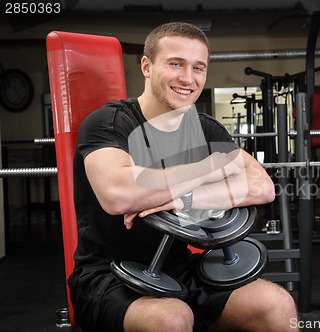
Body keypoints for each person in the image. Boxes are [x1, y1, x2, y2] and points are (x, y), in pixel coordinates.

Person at [68, 21, 299, 332]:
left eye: (198, 68)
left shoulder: (204, 128)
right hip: (107, 275)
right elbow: (119, 194)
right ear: (147, 67)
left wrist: (182, 198)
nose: (188, 78)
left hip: (180, 269)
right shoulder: (108, 122)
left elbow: (262, 186)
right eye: (175, 63)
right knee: (172, 318)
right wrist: (210, 167)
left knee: (277, 304)